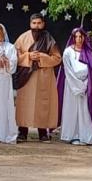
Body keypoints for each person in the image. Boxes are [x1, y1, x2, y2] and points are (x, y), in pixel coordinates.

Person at [14, 14, 61, 143]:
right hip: (26, 77)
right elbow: (14, 57)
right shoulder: (22, 38)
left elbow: (57, 58)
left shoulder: (49, 39)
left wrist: (41, 57)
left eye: (39, 23)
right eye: (34, 23)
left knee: (42, 104)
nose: (36, 26)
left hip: (43, 77)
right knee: (25, 103)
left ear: (43, 24)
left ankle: (43, 133)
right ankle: (22, 132)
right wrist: (28, 56)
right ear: (30, 24)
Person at [56, 28, 92, 145]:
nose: (79, 39)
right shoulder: (68, 52)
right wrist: (77, 86)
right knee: (72, 109)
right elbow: (68, 71)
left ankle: (85, 136)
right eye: (77, 37)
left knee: (85, 110)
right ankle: (72, 135)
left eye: (81, 37)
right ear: (73, 38)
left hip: (86, 86)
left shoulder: (89, 52)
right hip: (71, 86)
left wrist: (84, 84)